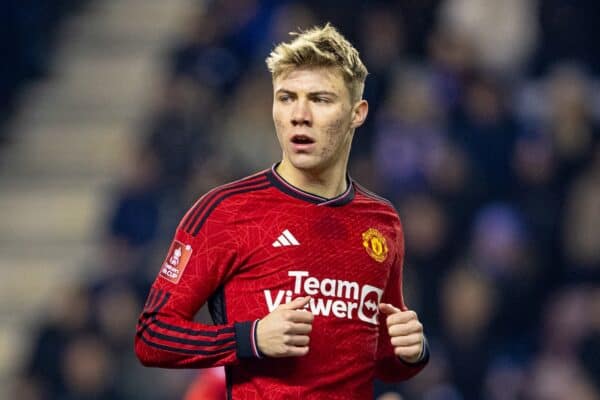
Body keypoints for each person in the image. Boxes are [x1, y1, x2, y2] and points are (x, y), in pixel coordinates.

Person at [135, 23, 429, 399]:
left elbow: (382, 357)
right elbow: (153, 336)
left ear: (357, 113)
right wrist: (251, 337)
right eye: (287, 97)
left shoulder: (381, 222)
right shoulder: (226, 212)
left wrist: (413, 351)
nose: (299, 115)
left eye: (320, 99)